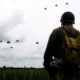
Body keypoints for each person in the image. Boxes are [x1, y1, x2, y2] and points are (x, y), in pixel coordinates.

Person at [43, 11, 80, 80]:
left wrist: (48, 66)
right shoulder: (78, 34)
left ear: (62, 21)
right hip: (75, 72)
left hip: (60, 71)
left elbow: (48, 54)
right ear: (73, 22)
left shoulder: (57, 32)